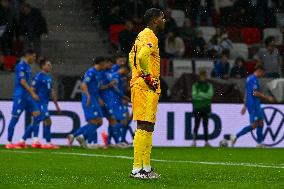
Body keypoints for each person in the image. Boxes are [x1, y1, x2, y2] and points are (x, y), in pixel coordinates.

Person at [129, 8, 165, 179]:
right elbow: (143, 57)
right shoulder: (150, 35)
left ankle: (146, 167)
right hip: (145, 87)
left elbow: (132, 57)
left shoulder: (140, 36)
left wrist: (138, 75)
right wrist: (147, 76)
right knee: (144, 125)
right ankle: (137, 169)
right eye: (162, 18)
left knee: (147, 126)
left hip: (141, 86)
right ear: (154, 20)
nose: (164, 21)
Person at [15, 58, 61, 149]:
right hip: (40, 103)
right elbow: (32, 90)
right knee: (43, 121)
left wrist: (57, 105)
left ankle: (23, 141)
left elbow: (52, 91)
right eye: (48, 64)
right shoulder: (38, 76)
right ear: (43, 66)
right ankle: (40, 142)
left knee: (43, 121)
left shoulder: (48, 77)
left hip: (45, 103)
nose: (50, 66)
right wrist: (35, 103)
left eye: (50, 64)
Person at [230, 64, 275, 148]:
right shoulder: (253, 79)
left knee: (261, 123)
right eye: (263, 73)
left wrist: (244, 105)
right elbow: (254, 93)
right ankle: (235, 136)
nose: (263, 75)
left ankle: (260, 143)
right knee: (254, 125)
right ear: (260, 71)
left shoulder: (250, 79)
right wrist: (267, 98)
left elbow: (247, 92)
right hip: (253, 105)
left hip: (255, 104)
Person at [67, 57, 106, 149]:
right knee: (94, 122)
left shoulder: (98, 73)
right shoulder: (91, 72)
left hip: (95, 99)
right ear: (100, 63)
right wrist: (88, 96)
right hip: (89, 99)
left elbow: (96, 88)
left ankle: (75, 135)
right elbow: (84, 84)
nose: (105, 65)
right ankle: (81, 137)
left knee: (99, 122)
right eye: (104, 63)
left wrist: (99, 98)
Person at [5, 49, 38, 149]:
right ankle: (9, 142)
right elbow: (23, 82)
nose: (34, 59)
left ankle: (22, 140)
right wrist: (32, 93)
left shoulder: (28, 66)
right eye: (33, 56)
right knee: (15, 119)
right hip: (20, 96)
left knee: (38, 115)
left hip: (27, 97)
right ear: (28, 55)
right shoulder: (21, 66)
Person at [191, 69, 214, 147]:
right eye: (202, 76)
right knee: (196, 124)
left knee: (205, 125)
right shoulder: (195, 85)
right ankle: (194, 142)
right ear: (199, 76)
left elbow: (210, 95)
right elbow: (194, 96)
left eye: (204, 76)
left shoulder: (209, 85)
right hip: (197, 107)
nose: (203, 77)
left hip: (206, 108)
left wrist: (200, 94)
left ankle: (206, 142)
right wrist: (205, 96)